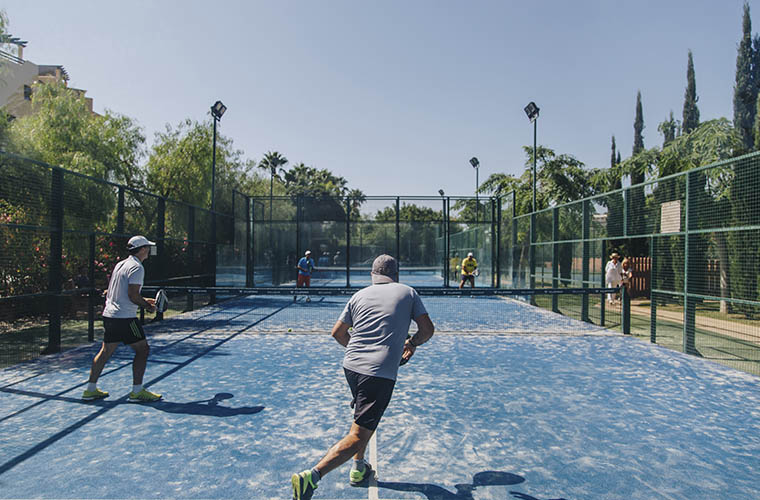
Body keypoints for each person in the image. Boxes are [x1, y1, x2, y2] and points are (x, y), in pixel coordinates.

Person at [291, 255, 435, 500]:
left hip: (351, 367)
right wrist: (411, 343)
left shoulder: (358, 295)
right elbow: (427, 331)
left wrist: (360, 353)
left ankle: (358, 469)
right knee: (359, 433)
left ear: (373, 274)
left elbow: (338, 333)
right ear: (396, 275)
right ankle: (311, 477)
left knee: (363, 419)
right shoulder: (408, 293)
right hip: (378, 374)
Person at [82, 235, 162, 403]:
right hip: (125, 319)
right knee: (143, 350)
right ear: (142, 249)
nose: (148, 250)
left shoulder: (121, 265)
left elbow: (121, 292)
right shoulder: (137, 268)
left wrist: (144, 300)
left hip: (110, 316)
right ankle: (137, 391)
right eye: (147, 247)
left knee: (105, 352)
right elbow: (133, 295)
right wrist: (148, 306)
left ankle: (90, 389)